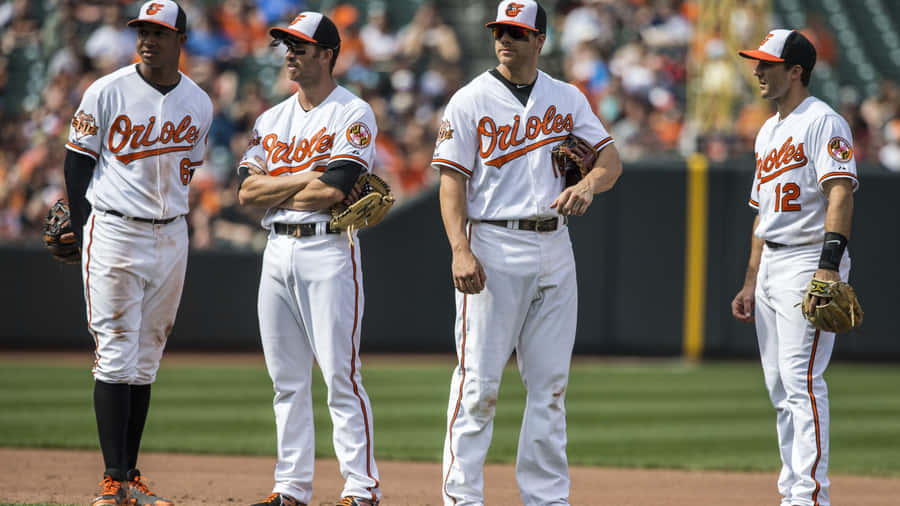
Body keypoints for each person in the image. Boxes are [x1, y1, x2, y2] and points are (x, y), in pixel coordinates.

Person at [430, 1, 622, 504]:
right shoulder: (470, 100)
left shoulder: (566, 96)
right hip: (493, 242)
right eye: (500, 31)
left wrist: (589, 185)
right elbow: (451, 184)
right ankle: (462, 498)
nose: (505, 40)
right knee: (478, 386)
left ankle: (547, 498)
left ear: (540, 40)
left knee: (551, 387)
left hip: (555, 243)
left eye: (516, 33)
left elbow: (611, 159)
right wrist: (459, 249)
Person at [63, 1, 213, 505]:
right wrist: (83, 229)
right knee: (115, 354)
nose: (147, 40)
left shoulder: (199, 102)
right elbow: (77, 163)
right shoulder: (106, 90)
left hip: (172, 234)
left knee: (146, 359)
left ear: (180, 40)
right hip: (115, 229)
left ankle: (130, 477)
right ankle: (112, 481)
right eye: (142, 31)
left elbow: (188, 169)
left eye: (158, 32)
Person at [237, 11, 381, 506]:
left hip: (328, 248)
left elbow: (333, 190)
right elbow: (246, 192)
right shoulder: (271, 119)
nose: (290, 54)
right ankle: (291, 489)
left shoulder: (353, 112)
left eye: (300, 47)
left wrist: (284, 185)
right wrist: (306, 177)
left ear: (327, 54)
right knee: (286, 381)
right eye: (287, 46)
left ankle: (361, 489)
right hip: (276, 251)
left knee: (340, 375)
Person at [731, 29, 858, 506]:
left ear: (796, 71)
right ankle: (792, 491)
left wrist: (828, 266)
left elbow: (840, 193)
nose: (757, 71)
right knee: (780, 387)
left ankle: (809, 496)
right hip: (771, 261)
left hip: (808, 258)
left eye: (767, 64)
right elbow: (761, 214)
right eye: (757, 63)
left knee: (801, 381)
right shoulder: (768, 129)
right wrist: (751, 280)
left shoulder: (823, 122)